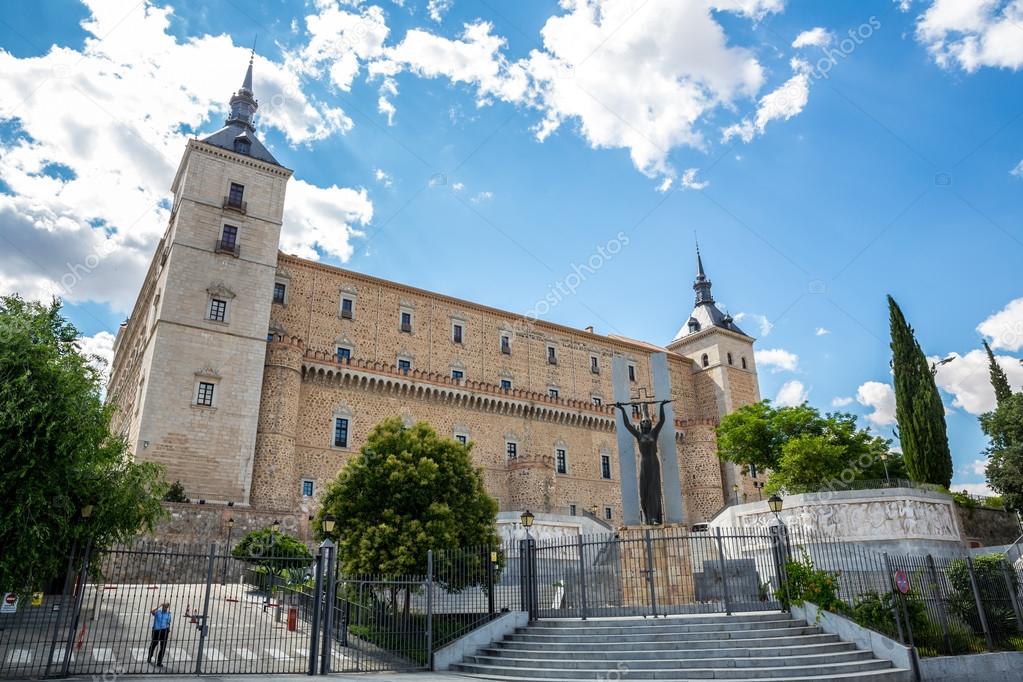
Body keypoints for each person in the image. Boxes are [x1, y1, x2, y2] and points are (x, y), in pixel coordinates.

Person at [148, 601, 172, 666]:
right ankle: (149, 657)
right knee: (153, 645)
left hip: (164, 631)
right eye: (164, 606)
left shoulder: (169, 614)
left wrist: (168, 630)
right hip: (156, 631)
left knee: (163, 647)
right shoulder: (158, 612)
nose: (165, 608)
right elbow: (151, 611)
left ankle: (159, 661)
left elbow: (168, 622)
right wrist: (159, 605)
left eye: (166, 607)